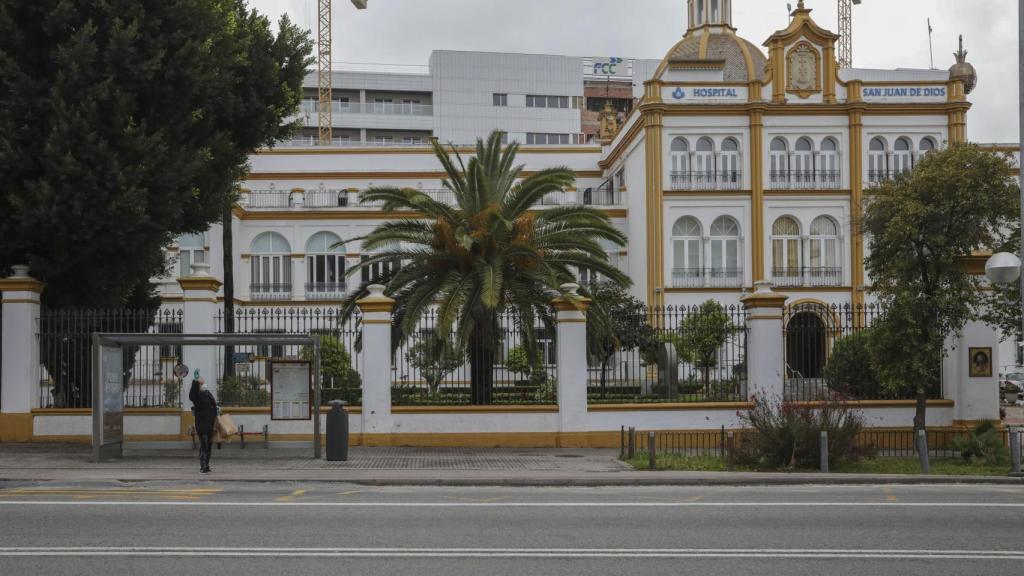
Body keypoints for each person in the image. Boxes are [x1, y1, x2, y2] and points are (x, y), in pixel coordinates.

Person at [189, 377, 218, 474]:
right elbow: (192, 395)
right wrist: (196, 382)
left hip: (210, 424)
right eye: (201, 384)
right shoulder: (197, 396)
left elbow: (213, 406)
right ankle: (203, 466)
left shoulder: (208, 393)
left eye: (203, 383)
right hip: (202, 425)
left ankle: (207, 464)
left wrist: (217, 411)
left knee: (208, 446)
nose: (203, 385)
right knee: (204, 444)